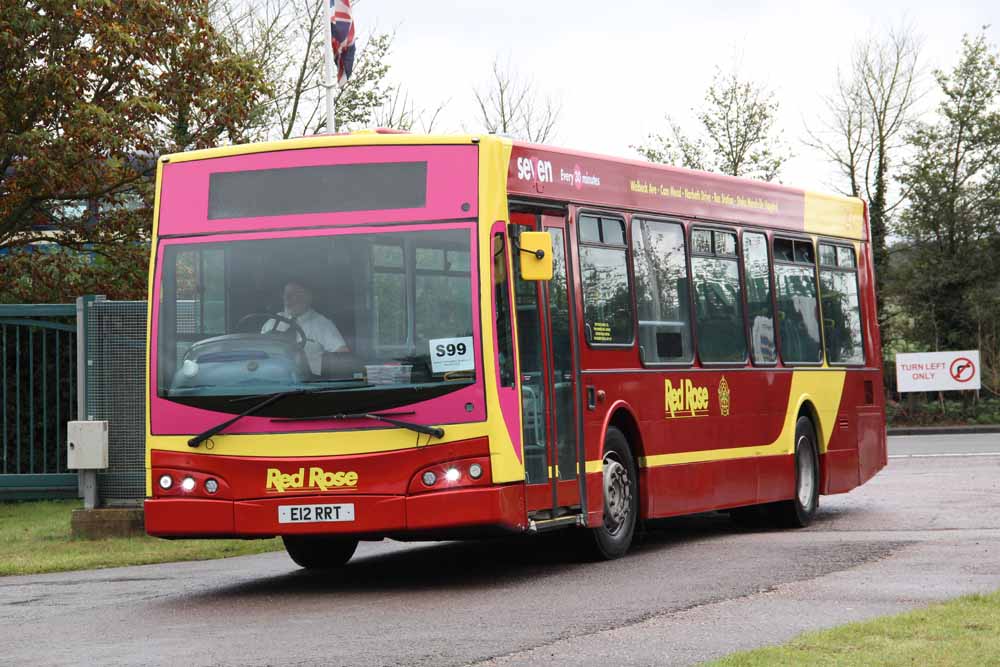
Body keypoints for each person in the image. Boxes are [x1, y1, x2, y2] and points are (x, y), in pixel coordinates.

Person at [262, 281, 348, 375]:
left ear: (308, 297)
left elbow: (342, 354)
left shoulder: (322, 324)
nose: (287, 298)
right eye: (286, 294)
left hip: (310, 384)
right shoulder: (272, 322)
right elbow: (259, 351)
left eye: (295, 294)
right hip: (274, 381)